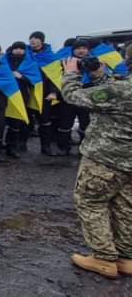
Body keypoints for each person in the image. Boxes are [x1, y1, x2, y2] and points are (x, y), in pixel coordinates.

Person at [60, 56, 132, 278]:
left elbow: (74, 96)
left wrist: (71, 73)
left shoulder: (122, 90)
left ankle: (103, 258)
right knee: (125, 205)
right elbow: (111, 95)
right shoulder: (119, 89)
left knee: (91, 201)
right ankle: (126, 256)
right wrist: (99, 76)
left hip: (107, 157)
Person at [56, 39, 93, 156]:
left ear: (88, 50)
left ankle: (84, 149)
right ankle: (63, 147)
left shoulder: (95, 62)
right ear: (73, 50)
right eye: (78, 48)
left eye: (84, 48)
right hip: (68, 96)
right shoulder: (65, 62)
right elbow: (56, 78)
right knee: (65, 123)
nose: (81, 51)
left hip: (86, 96)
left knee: (85, 124)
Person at [29, 31, 62, 156]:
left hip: (44, 92)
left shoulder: (51, 57)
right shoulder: (26, 55)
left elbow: (55, 77)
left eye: (36, 38)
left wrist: (53, 92)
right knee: (23, 120)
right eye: (31, 38)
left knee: (44, 120)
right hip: (27, 91)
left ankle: (45, 146)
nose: (33, 41)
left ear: (42, 41)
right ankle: (19, 145)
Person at [4, 42, 33, 158]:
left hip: (21, 95)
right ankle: (4, 144)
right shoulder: (4, 61)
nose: (19, 50)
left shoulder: (30, 63)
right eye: (16, 48)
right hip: (5, 94)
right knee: (4, 122)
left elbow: (35, 80)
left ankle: (14, 145)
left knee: (18, 121)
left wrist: (21, 77)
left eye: (22, 48)